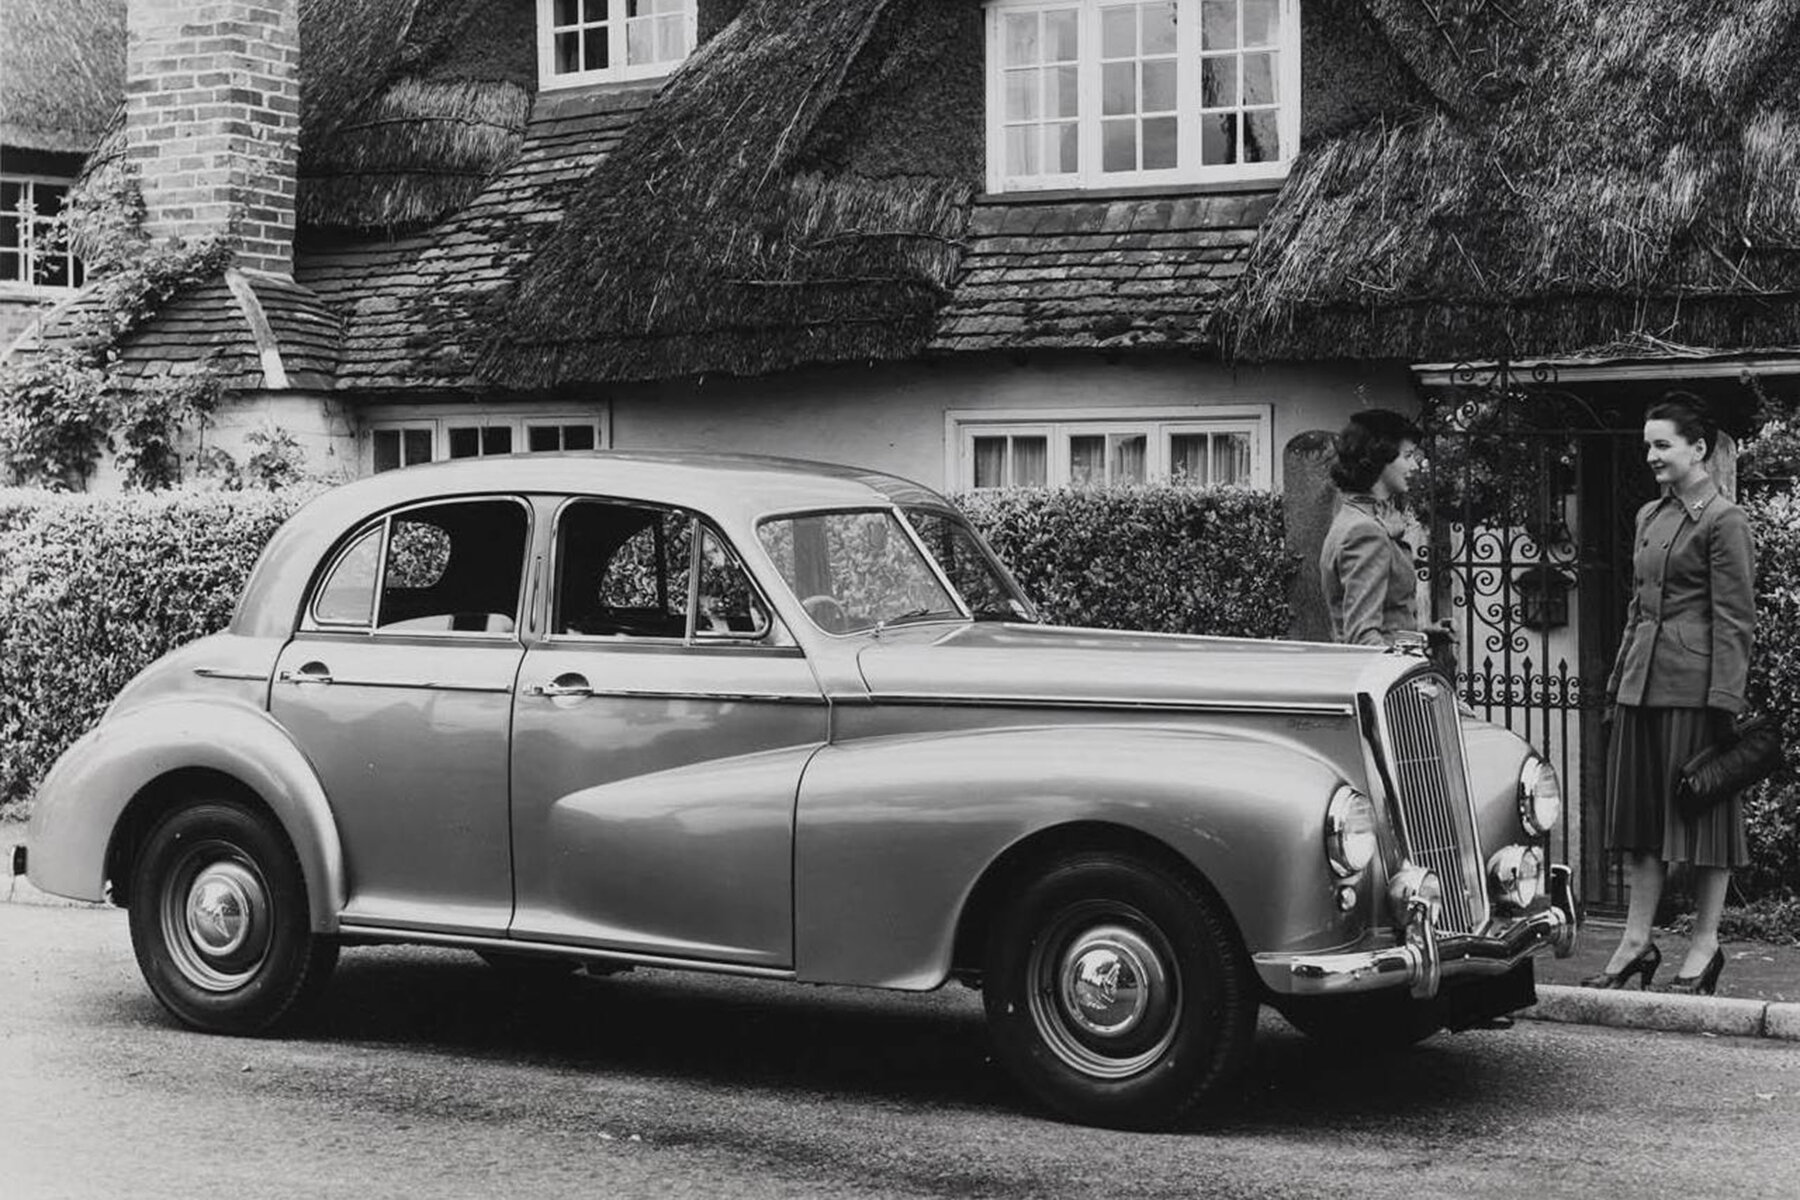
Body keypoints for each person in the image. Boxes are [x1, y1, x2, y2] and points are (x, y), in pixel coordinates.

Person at [1583, 393, 1756, 996]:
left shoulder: (1724, 520)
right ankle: (1636, 942)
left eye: (1663, 445)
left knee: (1702, 819)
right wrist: (1617, 682)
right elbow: (1638, 607)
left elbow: (1736, 618)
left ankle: (1705, 945)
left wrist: (1726, 700)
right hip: (1642, 687)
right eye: (1648, 445)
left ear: (1698, 449)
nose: (1652, 456)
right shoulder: (1648, 517)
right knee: (1638, 824)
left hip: (1695, 689)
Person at [1320, 408, 1428, 649]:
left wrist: (1427, 635)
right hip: (1384, 681)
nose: (1415, 466)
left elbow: (1385, 618)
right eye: (1408, 456)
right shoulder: (1365, 531)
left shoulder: (1354, 517)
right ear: (1381, 458)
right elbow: (1363, 638)